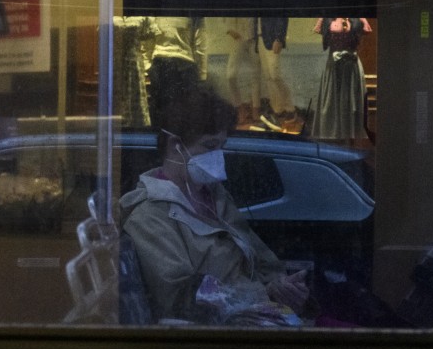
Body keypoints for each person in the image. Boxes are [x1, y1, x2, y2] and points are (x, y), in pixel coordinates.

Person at [119, 81, 313, 325]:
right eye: (210, 146)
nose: (217, 156)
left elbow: (260, 259)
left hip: (254, 317)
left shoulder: (215, 196)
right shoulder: (148, 216)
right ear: (175, 146)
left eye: (222, 147)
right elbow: (179, 298)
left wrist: (282, 286)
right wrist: (264, 294)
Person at [225, 0, 297, 131]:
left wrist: (279, 38)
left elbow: (280, 17)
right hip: (251, 42)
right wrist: (232, 31)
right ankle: (271, 111)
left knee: (271, 75)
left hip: (265, 41)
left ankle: (283, 110)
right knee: (262, 77)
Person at [309, 16, 372, 142]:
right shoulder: (326, 20)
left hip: (352, 67)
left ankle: (351, 137)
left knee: (351, 100)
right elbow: (320, 30)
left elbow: (365, 31)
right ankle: (332, 137)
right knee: (332, 98)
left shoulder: (359, 19)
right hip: (334, 66)